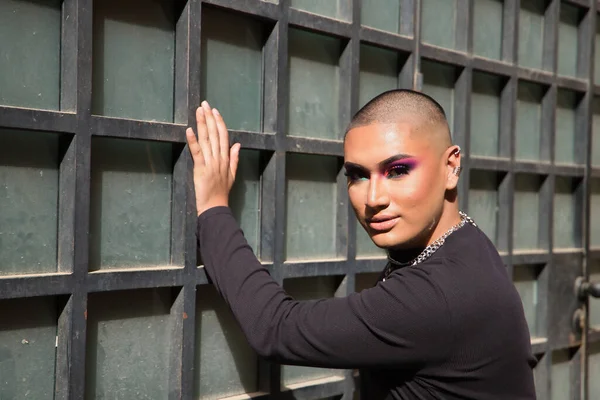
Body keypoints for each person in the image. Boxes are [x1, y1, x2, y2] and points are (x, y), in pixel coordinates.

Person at [186, 89, 537, 399]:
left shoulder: (437, 295)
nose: (373, 198)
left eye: (398, 170)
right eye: (357, 175)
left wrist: (214, 208)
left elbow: (276, 329)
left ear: (451, 167)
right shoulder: (464, 241)